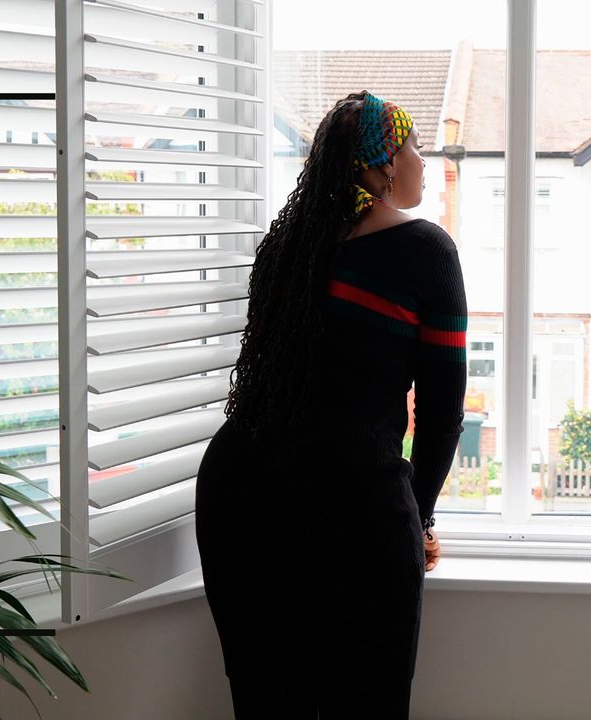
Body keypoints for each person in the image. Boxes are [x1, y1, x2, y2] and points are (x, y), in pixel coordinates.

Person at [194, 90, 468, 718]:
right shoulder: (426, 249)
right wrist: (419, 516)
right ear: (384, 165)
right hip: (354, 504)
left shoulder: (288, 245)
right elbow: (444, 410)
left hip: (239, 497)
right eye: (415, 146)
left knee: (268, 705)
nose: (423, 160)